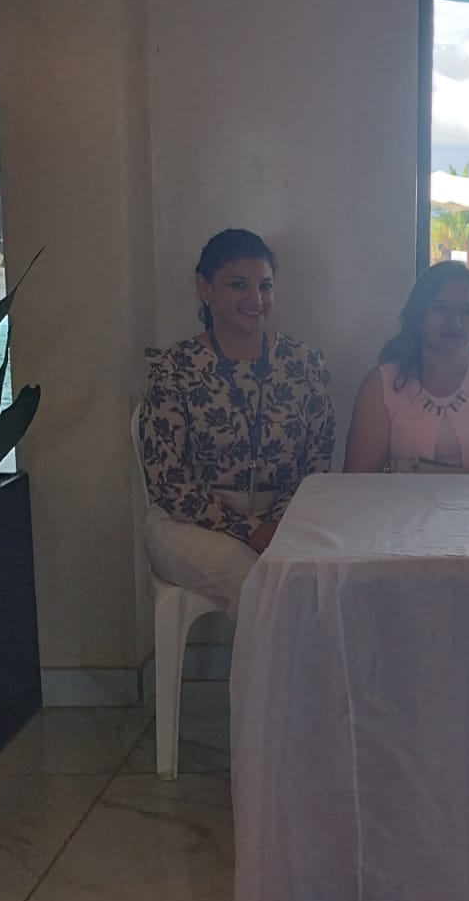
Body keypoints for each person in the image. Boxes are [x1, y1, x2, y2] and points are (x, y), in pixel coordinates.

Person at [138, 229, 336, 619]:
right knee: (260, 585)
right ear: (205, 288)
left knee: (330, 577)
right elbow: (167, 480)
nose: (255, 298)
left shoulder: (304, 363)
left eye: (265, 286)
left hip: (285, 518)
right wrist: (250, 530)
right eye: (238, 285)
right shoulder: (176, 368)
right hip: (189, 526)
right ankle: (287, 663)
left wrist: (276, 523)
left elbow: (317, 461)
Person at [343, 261, 469, 474]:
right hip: (404, 497)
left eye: (467, 312)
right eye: (440, 308)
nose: (454, 322)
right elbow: (357, 482)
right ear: (418, 317)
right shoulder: (380, 386)